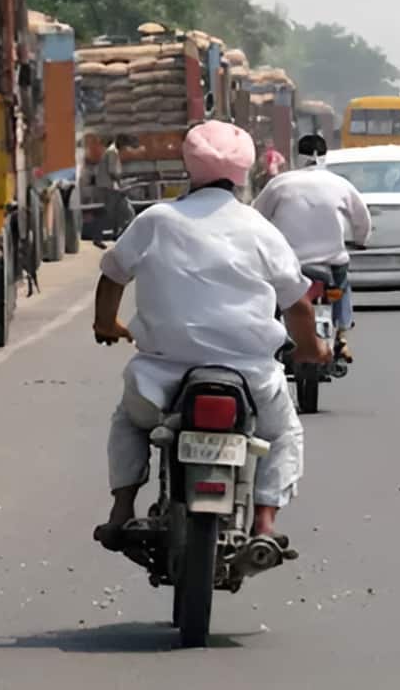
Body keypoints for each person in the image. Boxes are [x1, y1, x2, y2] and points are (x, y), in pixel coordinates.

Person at [91, 121, 328, 550]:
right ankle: (265, 522)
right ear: (245, 171)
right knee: (284, 434)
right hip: (251, 380)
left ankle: (122, 509)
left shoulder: (156, 219)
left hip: (160, 381)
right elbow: (298, 304)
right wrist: (312, 349)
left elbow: (112, 276)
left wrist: (106, 324)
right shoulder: (259, 228)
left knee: (128, 421)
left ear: (187, 164)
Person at [252, 134, 371, 362]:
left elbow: (256, 217)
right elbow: (362, 220)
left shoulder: (280, 183)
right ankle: (342, 337)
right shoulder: (341, 184)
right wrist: (361, 240)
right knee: (342, 288)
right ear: (325, 157)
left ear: (297, 156)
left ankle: (274, 339)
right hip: (332, 263)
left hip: (289, 265)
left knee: (274, 298)